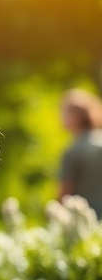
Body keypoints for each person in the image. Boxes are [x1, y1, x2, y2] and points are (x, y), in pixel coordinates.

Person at [58, 87, 102, 215]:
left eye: (65, 111)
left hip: (86, 218)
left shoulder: (73, 151)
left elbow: (65, 192)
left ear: (76, 116)